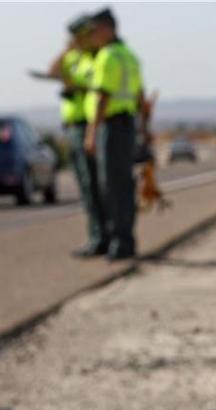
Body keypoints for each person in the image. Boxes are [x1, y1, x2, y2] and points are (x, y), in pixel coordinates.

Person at [84, 8, 150, 260]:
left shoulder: (107, 56)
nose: (92, 36)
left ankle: (119, 242)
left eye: (95, 30)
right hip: (127, 125)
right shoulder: (129, 56)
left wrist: (91, 133)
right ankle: (126, 239)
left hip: (111, 126)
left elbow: (102, 97)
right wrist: (143, 128)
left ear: (107, 28)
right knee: (124, 184)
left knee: (111, 186)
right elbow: (140, 96)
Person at [48, 14, 108, 257]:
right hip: (72, 126)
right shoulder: (73, 57)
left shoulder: (94, 59)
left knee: (95, 185)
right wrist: (66, 50)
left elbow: (99, 90)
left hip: (87, 125)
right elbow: (52, 71)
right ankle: (97, 235)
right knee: (86, 186)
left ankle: (102, 236)